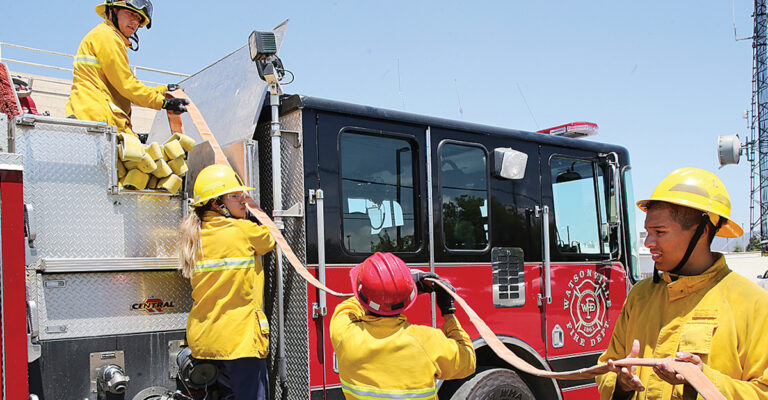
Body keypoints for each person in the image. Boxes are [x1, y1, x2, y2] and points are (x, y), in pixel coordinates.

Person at [595, 167, 768, 399]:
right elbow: (607, 367)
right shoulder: (640, 296)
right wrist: (621, 383)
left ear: (702, 231)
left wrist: (703, 381)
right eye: (648, 231)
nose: (648, 242)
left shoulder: (752, 303)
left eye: (660, 232)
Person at [177, 164, 276, 400]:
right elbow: (269, 241)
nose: (244, 200)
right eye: (234, 195)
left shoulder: (194, 235)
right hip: (239, 342)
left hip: (205, 340)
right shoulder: (243, 230)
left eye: (242, 194)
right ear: (216, 203)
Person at [330, 252, 476, 399]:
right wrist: (448, 312)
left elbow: (350, 305)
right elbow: (468, 360)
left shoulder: (345, 333)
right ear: (409, 299)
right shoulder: (428, 341)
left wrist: (389, 290)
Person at [66, 0, 189, 136]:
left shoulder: (105, 35)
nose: (135, 22)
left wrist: (162, 91)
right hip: (97, 120)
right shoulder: (107, 37)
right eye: (130, 13)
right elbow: (127, 85)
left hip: (95, 117)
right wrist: (163, 102)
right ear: (113, 11)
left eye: (139, 18)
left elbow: (126, 84)